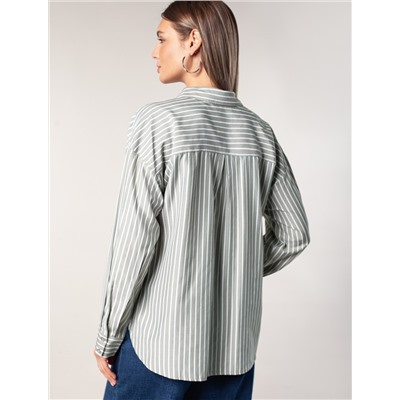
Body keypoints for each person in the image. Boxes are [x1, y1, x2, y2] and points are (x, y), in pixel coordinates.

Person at [93, 1, 310, 399]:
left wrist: (108, 335)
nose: (154, 52)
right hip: (234, 351)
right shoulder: (260, 133)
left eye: (162, 39)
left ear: (192, 41)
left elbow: (134, 241)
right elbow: (294, 235)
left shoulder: (158, 122)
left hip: (159, 346)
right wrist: (231, 270)